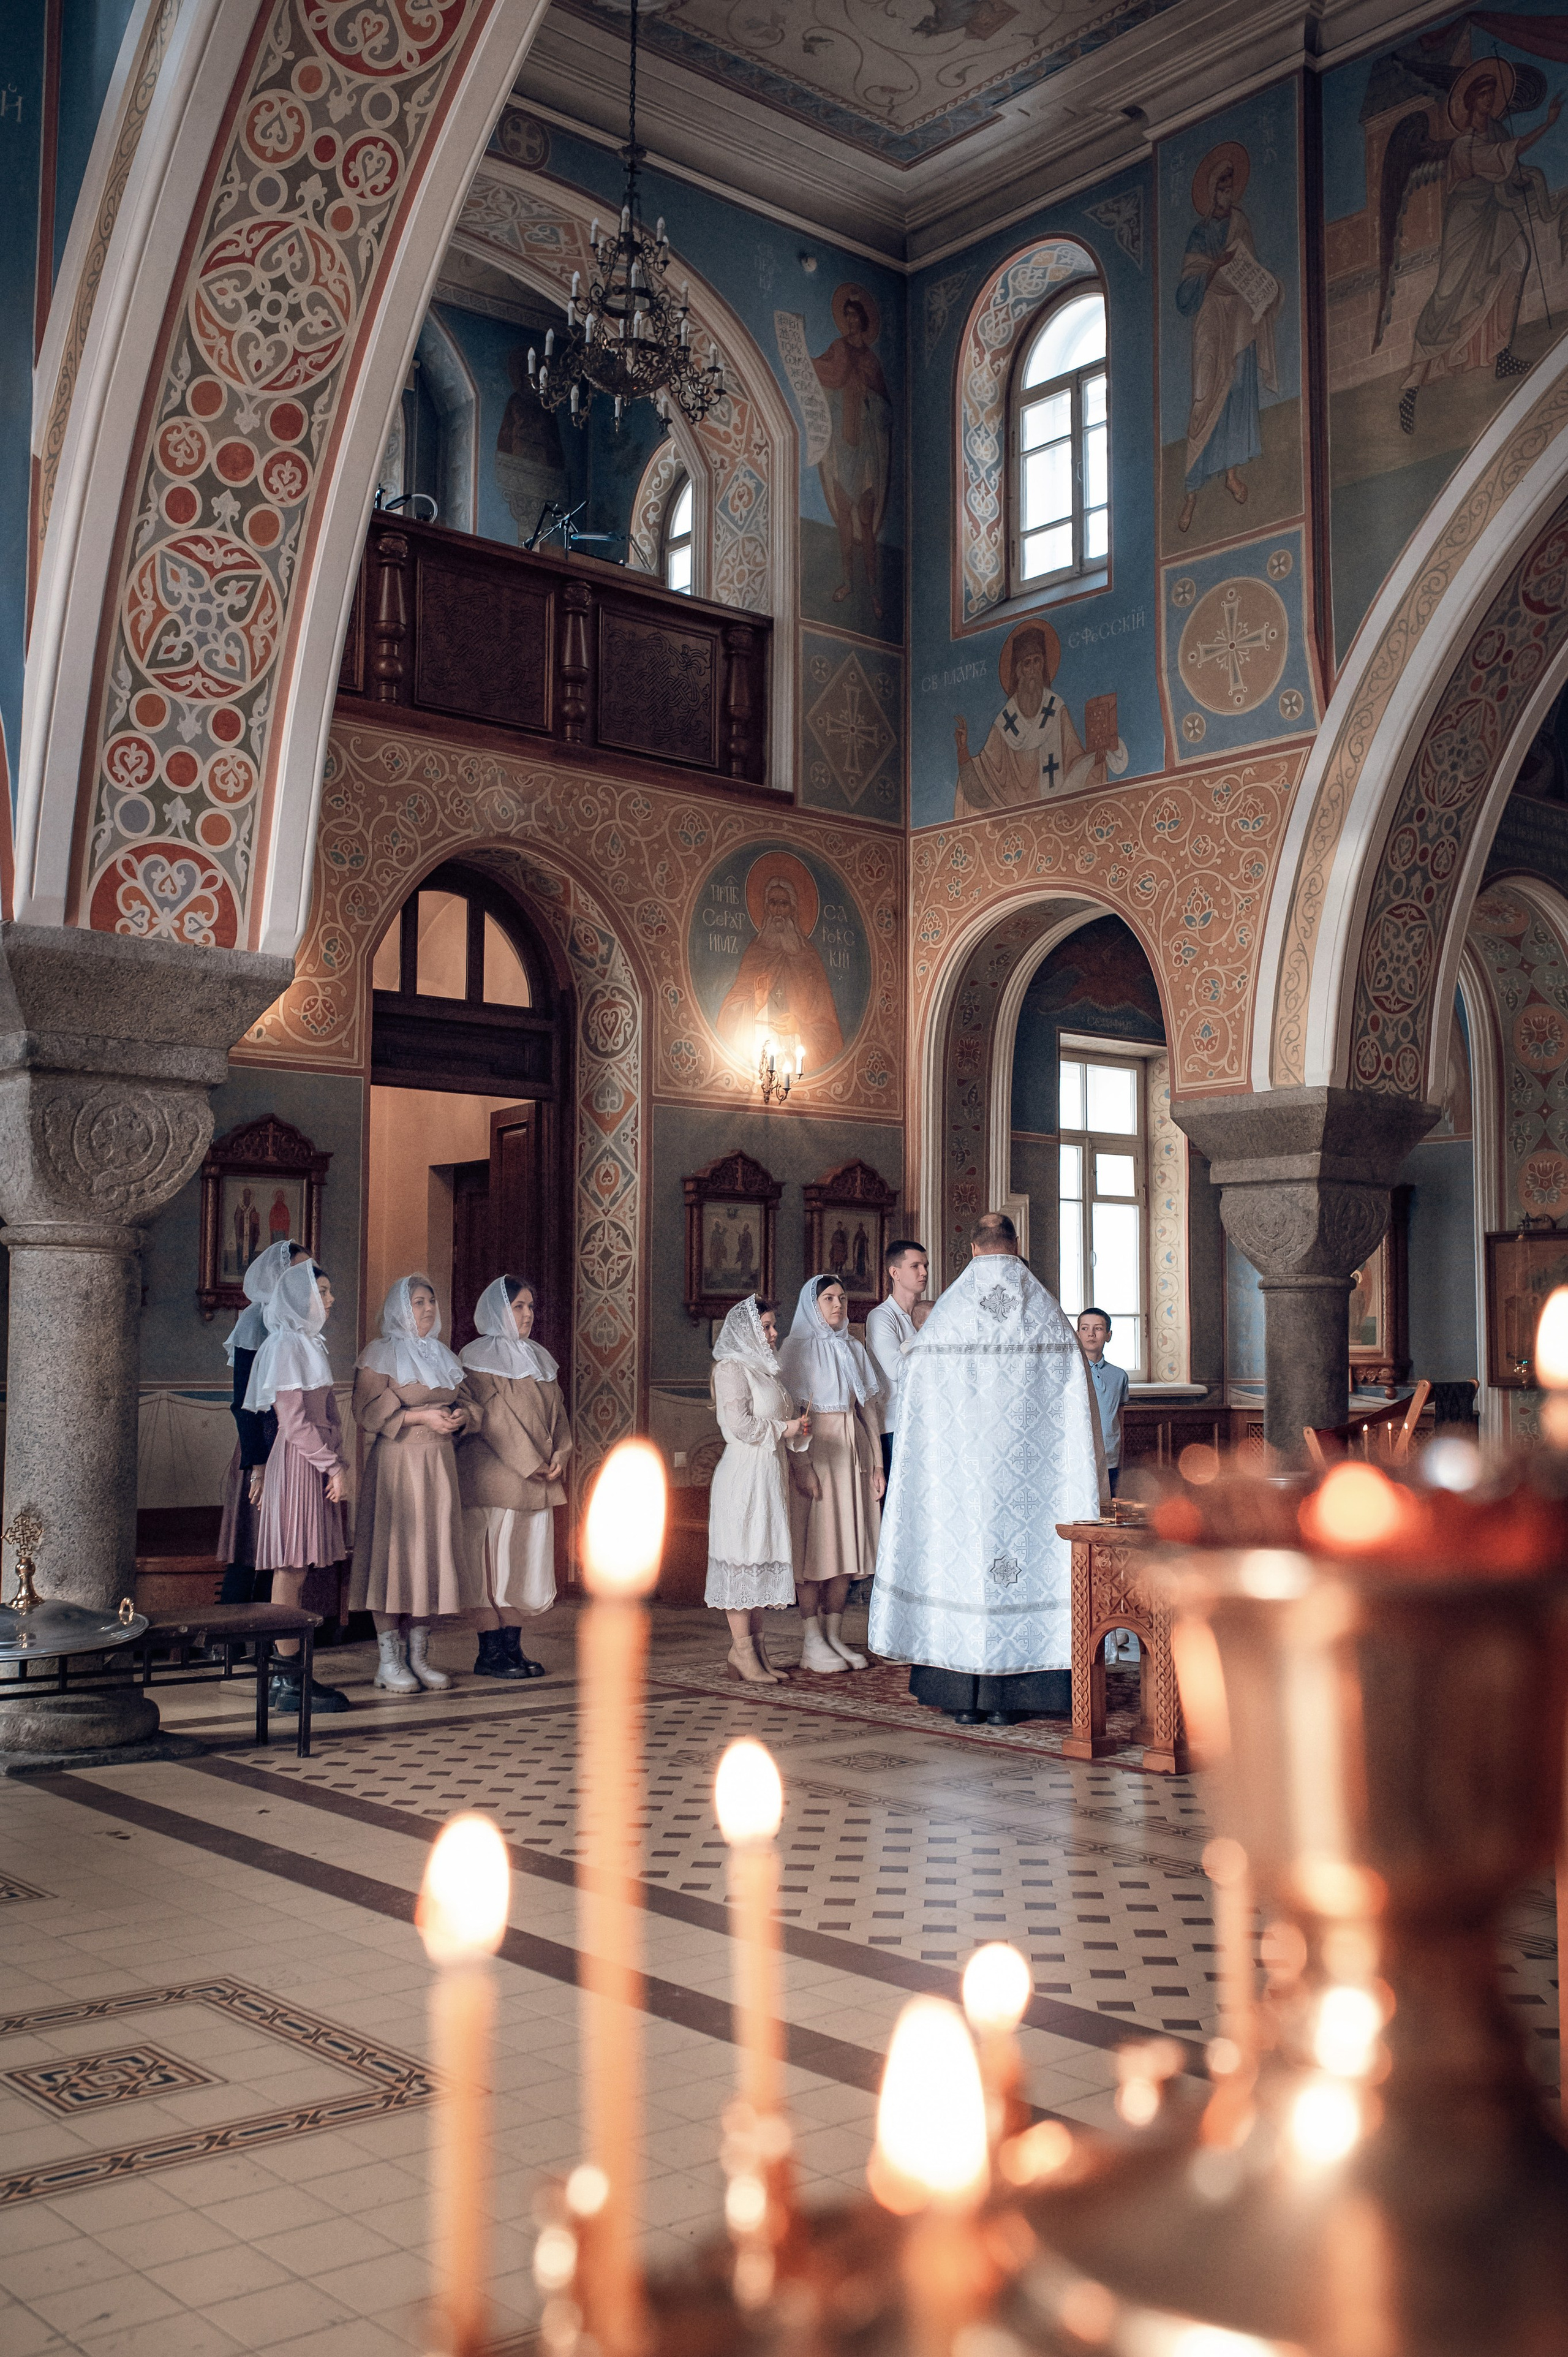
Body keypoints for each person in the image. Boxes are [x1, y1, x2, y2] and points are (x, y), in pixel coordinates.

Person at [869, 1212, 1104, 1727]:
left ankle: (965, 1698)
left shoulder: (948, 1316)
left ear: (973, 1251)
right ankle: (1021, 1696)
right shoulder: (1047, 1315)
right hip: (1033, 1487)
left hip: (965, 1483)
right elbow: (1077, 1406)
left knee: (965, 1570)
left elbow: (914, 1393)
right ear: (1015, 1248)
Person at [349, 1277, 479, 1694]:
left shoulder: (444, 1354)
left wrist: (460, 1417)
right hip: (398, 1466)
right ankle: (388, 1661)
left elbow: (470, 1401)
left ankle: (419, 1657)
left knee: (431, 1554)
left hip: (439, 1465)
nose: (426, 1308)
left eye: (431, 1300)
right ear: (400, 1309)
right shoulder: (379, 1353)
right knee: (394, 1556)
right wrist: (420, 1417)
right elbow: (365, 1411)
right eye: (418, 1301)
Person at [246, 1260, 353, 1716]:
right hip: (300, 1463)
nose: (330, 1300)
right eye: (322, 1292)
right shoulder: (288, 1345)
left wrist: (338, 1458)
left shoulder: (307, 1343)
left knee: (300, 1568)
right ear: (300, 1299)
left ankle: (288, 1672)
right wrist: (332, 1464)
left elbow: (327, 1414)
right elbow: (293, 1424)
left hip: (313, 1462)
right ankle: (288, 1678)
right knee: (291, 1567)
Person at [458, 1276, 572, 1680]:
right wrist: (529, 1462)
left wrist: (560, 1453)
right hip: (494, 1478)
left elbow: (558, 1414)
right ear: (497, 1311)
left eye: (530, 1307)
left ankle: (513, 1647)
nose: (528, 1314)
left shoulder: (539, 1357)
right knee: (491, 1567)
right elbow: (492, 1420)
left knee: (522, 1565)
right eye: (518, 1307)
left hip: (536, 1479)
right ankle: (489, 1651)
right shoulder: (474, 1359)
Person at [777, 1274, 884, 1674]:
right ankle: (811, 1638)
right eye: (828, 1298)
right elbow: (790, 1413)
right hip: (816, 1450)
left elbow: (867, 1409)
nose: (838, 1305)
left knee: (846, 1546)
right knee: (816, 1548)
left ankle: (835, 1633)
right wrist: (801, 1466)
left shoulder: (852, 1346)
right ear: (813, 1303)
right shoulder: (796, 1348)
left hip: (851, 1451)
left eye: (841, 1298)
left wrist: (877, 1463)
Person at [704, 1296, 810, 1684]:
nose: (773, 1333)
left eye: (773, 1326)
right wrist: (786, 1429)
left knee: (760, 1559)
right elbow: (741, 1425)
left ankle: (757, 1653)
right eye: (766, 1327)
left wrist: (798, 1428)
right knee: (743, 1558)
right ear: (747, 1330)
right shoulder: (732, 1369)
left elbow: (779, 1422)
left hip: (770, 1473)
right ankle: (742, 1652)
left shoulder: (767, 1371)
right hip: (744, 1476)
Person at [217, 1237, 309, 1604]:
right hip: (261, 1447)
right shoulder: (257, 1320)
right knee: (251, 1547)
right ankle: (226, 1641)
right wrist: (258, 1464)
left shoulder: (299, 1320)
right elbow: (244, 1401)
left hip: (292, 1444)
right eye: (297, 1271)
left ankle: (270, 1638)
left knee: (281, 1550)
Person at [865, 1239, 929, 1485]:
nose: (924, 1272)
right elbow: (896, 1369)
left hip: (925, 1421)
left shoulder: (931, 1314)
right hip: (894, 1425)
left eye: (925, 1265)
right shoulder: (881, 1317)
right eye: (915, 1266)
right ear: (895, 1273)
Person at [1076, 1307, 1129, 1500]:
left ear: (1108, 1335)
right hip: (1081, 1456)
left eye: (1098, 1329)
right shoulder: (1071, 1373)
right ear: (1077, 1334)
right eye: (1085, 1328)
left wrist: (1120, 1455)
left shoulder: (1120, 1375)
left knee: (1108, 1507)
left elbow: (1119, 1418)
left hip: (1110, 1457)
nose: (1091, 1334)